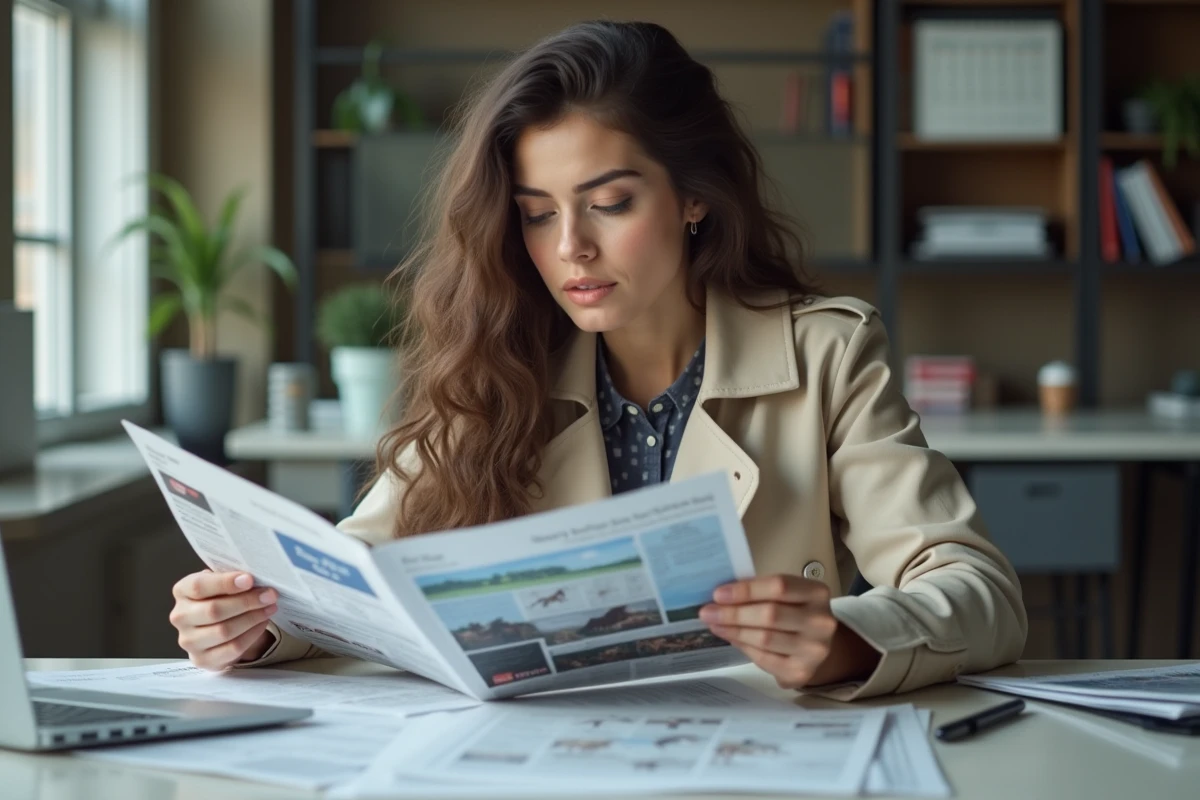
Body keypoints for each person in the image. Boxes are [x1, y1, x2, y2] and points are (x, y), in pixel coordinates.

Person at [168, 20, 1026, 700]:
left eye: (609, 203)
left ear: (695, 196)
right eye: (538, 213)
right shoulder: (499, 360)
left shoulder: (827, 352)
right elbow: (353, 576)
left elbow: (976, 590)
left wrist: (847, 637)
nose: (571, 247)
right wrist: (254, 619)